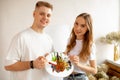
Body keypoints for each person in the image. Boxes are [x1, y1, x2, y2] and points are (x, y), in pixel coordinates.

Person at [4, 1, 59, 80]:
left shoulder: (49, 39)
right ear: (34, 14)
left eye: (48, 15)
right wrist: (32, 64)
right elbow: (8, 66)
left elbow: (53, 66)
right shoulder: (21, 37)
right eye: (42, 14)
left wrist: (51, 60)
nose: (45, 17)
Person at [64, 13, 97, 80]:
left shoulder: (90, 45)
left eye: (82, 26)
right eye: (76, 23)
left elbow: (94, 70)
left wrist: (78, 64)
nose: (78, 28)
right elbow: (65, 58)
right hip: (66, 76)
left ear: (88, 28)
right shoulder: (70, 40)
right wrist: (52, 56)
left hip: (80, 77)